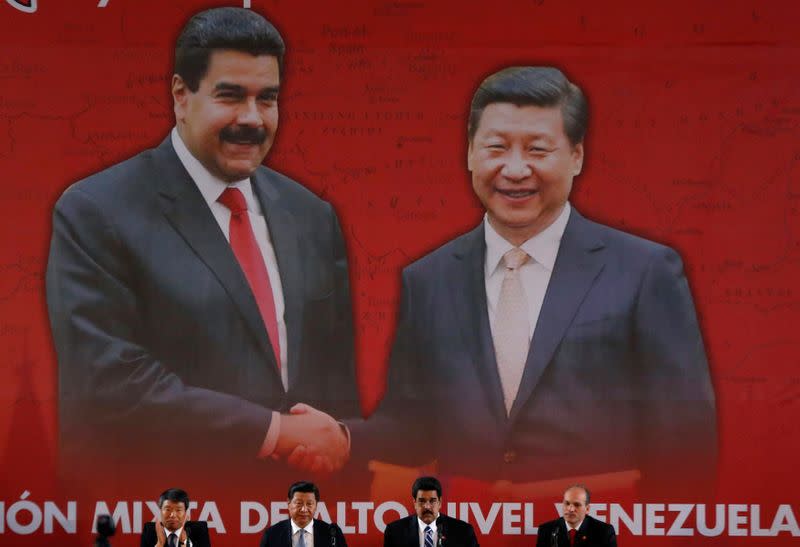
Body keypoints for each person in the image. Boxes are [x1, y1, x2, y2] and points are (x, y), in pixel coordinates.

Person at [350, 66, 717, 496]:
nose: (516, 169)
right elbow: (411, 429)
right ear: (470, 152)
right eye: (497, 147)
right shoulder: (429, 279)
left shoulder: (645, 272)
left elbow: (685, 440)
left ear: (577, 156)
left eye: (538, 150)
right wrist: (340, 438)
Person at [46, 7, 356, 480]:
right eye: (230, 96)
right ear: (181, 96)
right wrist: (275, 432)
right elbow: (110, 384)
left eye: (267, 98)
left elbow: (337, 387)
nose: (252, 119)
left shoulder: (311, 216)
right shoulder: (96, 211)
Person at [383, 476, 479, 547]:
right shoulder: (395, 532)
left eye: (432, 501)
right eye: (422, 501)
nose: (427, 506)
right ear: (414, 502)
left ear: (440, 502)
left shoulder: (463, 531)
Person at [259, 481, 347, 547]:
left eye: (309, 504)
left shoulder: (332, 533)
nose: (304, 509)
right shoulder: (272, 534)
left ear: (316, 505)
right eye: (299, 503)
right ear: (288, 503)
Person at [536, 485, 616, 547]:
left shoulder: (604, 532)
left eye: (577, 505)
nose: (570, 509)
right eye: (567, 503)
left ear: (587, 509)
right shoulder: (546, 530)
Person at [141, 488, 212, 547]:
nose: (172, 515)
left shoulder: (199, 529)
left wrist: (186, 543)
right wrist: (159, 545)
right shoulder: (149, 531)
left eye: (178, 510)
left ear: (185, 513)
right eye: (168, 509)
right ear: (160, 511)